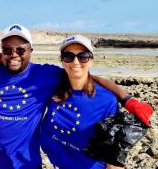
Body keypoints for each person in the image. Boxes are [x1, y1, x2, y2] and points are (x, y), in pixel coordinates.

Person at [0, 24, 153, 169]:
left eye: (20, 50)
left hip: (29, 163)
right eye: (8, 50)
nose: (75, 62)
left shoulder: (45, 75)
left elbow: (83, 74)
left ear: (30, 51)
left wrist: (128, 100)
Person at [40, 34, 122, 169]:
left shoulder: (106, 101)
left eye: (83, 56)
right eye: (68, 56)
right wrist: (6, 60)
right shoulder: (53, 90)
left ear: (91, 61)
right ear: (62, 61)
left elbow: (113, 154)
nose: (75, 62)